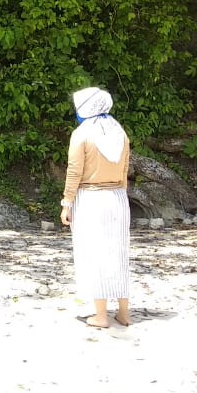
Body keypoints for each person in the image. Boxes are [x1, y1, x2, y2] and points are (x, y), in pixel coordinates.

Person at [60, 87, 132, 329]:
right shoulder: (119, 131)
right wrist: (120, 190)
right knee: (119, 253)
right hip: (118, 196)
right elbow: (124, 169)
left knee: (94, 254)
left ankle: (101, 315)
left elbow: (74, 171)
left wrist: (66, 202)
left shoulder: (82, 134)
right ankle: (123, 312)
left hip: (91, 197)